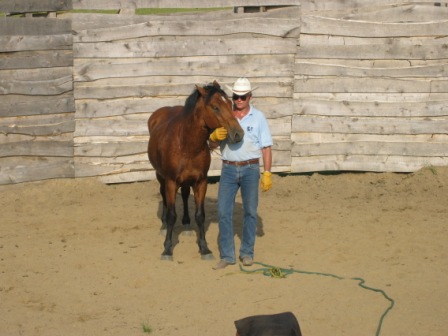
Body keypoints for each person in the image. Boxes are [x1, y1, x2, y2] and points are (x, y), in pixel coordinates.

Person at [209, 77, 273, 270]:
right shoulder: (224, 115)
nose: (239, 100)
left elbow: (266, 147)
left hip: (250, 169)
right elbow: (211, 145)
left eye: (242, 97)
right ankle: (228, 255)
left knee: (250, 212)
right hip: (228, 168)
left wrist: (267, 172)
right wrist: (212, 138)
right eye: (236, 96)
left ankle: (247, 253)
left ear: (250, 97)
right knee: (223, 212)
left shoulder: (259, 117)